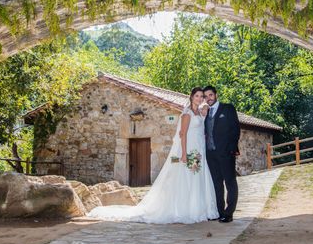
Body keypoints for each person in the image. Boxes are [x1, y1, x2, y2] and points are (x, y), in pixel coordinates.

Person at [88, 87, 218, 224]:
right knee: (192, 177)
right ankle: (191, 210)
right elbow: (183, 134)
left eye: (201, 96)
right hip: (191, 151)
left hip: (199, 150)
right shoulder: (187, 114)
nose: (199, 98)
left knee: (197, 178)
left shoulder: (199, 113)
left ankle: (199, 209)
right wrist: (184, 154)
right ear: (191, 97)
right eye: (197, 96)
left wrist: (204, 111)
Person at [203, 85, 240, 223]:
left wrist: (231, 150)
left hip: (226, 153)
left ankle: (229, 213)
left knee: (230, 182)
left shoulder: (228, 108)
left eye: (210, 95)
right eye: (206, 96)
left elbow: (235, 130)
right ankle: (220, 212)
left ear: (216, 95)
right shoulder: (205, 112)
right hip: (210, 154)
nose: (208, 98)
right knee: (216, 184)